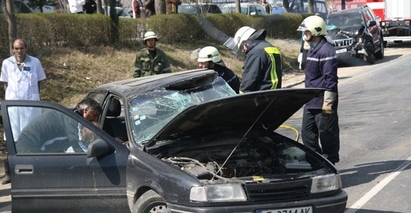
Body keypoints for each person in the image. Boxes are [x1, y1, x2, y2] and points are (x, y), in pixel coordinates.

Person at [0, 38, 47, 184]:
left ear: (26, 48)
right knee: (12, 139)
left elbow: (39, 81)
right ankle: (9, 172)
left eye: (21, 48)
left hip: (31, 107)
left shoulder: (35, 62)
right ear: (13, 49)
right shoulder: (7, 63)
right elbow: (5, 84)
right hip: (13, 108)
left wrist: (34, 96)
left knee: (32, 137)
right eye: (16, 48)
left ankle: (34, 168)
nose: (19, 51)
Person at [296, 15, 340, 165]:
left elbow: (331, 79)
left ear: (315, 31)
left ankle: (330, 163)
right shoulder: (312, 50)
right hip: (310, 101)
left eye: (306, 32)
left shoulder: (327, 51)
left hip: (323, 101)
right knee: (307, 134)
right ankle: (317, 161)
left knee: (327, 134)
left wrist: (328, 102)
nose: (304, 35)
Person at [16, 98, 102, 154]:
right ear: (86, 111)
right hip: (29, 145)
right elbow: (77, 146)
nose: (94, 119)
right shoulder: (73, 119)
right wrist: (93, 160)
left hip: (30, 143)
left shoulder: (70, 113)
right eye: (94, 115)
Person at [224, 26, 282, 93]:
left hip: (261, 98)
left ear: (247, 41)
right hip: (275, 96)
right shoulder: (270, 48)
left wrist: (241, 97)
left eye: (241, 47)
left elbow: (249, 80)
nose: (242, 51)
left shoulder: (255, 53)